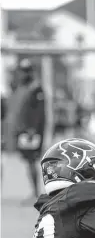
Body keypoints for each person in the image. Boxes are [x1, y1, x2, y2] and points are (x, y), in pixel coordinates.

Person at [5, 59, 46, 203]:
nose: (24, 74)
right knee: (28, 162)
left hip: (31, 132)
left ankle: (36, 193)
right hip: (22, 131)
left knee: (32, 161)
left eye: (26, 71)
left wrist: (33, 129)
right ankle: (34, 192)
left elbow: (40, 112)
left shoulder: (36, 88)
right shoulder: (20, 88)